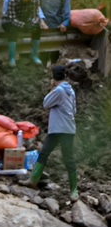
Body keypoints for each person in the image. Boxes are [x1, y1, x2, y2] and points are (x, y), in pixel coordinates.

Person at [26, 65, 78, 200]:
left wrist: (52, 87)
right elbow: (74, 110)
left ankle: (33, 181)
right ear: (65, 76)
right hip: (68, 129)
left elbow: (46, 103)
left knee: (45, 153)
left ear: (53, 78)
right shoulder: (70, 91)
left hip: (58, 129)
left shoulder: (59, 90)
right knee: (67, 158)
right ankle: (73, 191)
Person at [4, 0, 42, 67]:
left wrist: (33, 24)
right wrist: (24, 26)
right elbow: (12, 19)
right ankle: (12, 58)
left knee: (37, 28)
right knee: (13, 30)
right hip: (9, 21)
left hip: (24, 21)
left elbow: (35, 15)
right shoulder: (13, 0)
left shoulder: (35, 0)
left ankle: (34, 55)